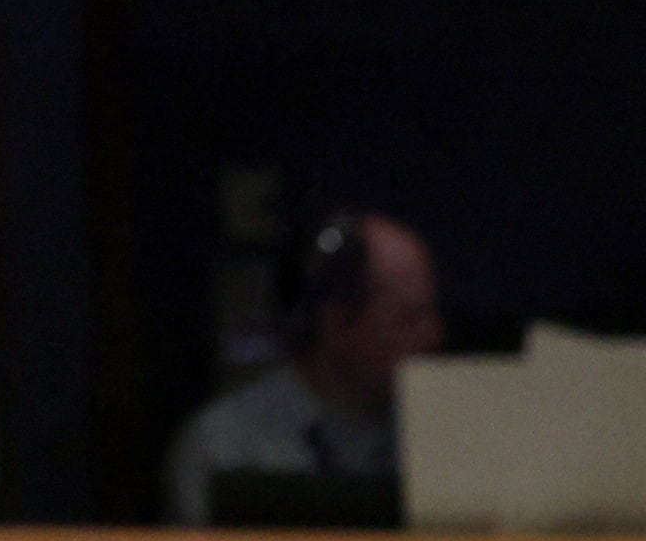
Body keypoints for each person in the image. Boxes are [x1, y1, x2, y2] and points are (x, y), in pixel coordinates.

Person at [163, 213, 442, 525]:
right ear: (337, 323)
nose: (433, 335)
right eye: (408, 319)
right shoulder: (226, 446)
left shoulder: (445, 437)